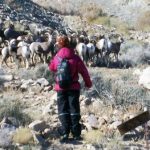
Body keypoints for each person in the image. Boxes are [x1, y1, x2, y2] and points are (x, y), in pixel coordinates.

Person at [49, 35, 92, 142]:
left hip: (61, 87)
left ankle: (65, 133)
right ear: (69, 43)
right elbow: (84, 72)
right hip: (74, 87)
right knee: (74, 109)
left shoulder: (57, 57)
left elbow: (51, 68)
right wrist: (88, 84)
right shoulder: (75, 57)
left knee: (62, 109)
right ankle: (76, 134)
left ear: (59, 44)